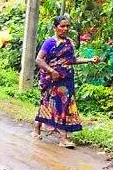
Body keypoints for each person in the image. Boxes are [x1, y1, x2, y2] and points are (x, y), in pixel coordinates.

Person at [33, 15, 102, 148]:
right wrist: (51, 71)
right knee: (50, 104)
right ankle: (60, 137)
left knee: (63, 105)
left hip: (66, 79)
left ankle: (42, 128)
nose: (65, 29)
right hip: (52, 79)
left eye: (67, 26)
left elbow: (72, 60)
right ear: (55, 27)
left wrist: (90, 60)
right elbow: (39, 60)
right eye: (62, 26)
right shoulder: (50, 42)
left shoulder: (68, 43)